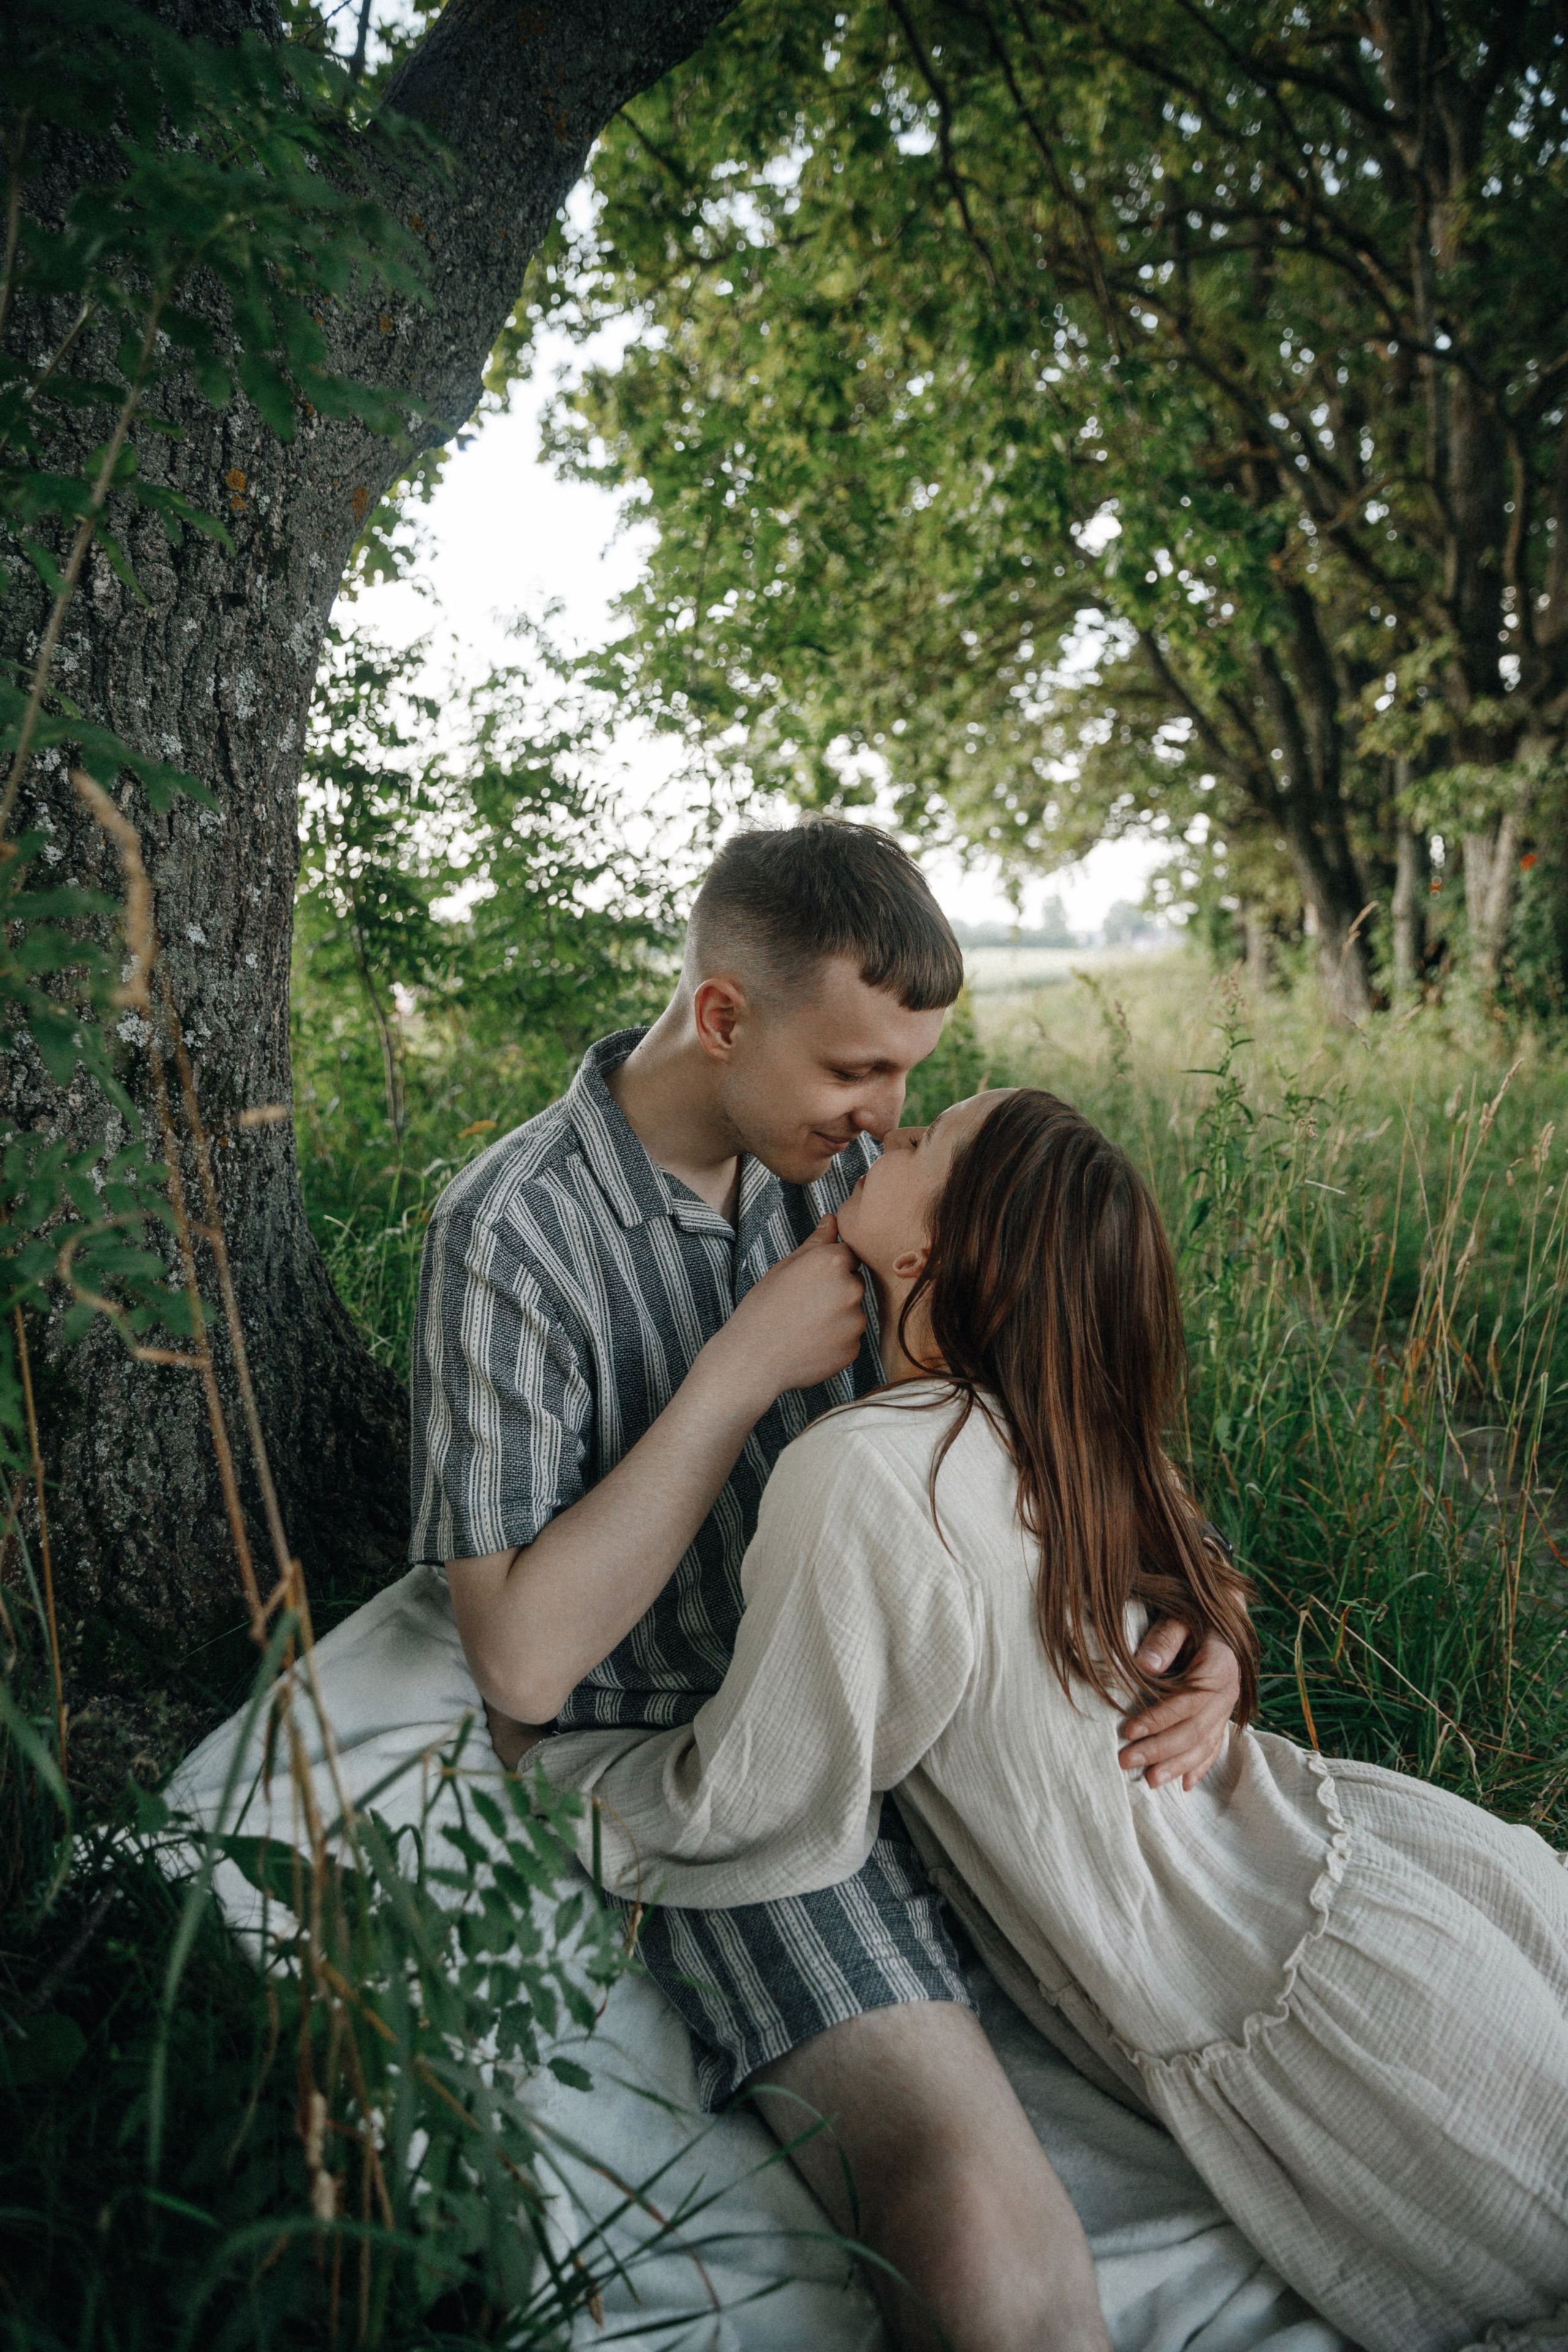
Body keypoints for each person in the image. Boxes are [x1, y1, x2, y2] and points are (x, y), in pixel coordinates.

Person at [538, 1087, 1568, 2352]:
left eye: (916, 1146)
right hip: (1381, 1892)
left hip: (1342, 2035)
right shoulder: (1056, 1422)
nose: (879, 1137)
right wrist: (1221, 1651)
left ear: (934, 1255)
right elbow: (1181, 1565)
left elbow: (754, 1804)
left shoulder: (866, 1473)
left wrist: (555, 1780)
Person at [411, 823, 1243, 2352]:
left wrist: (1207, 1631)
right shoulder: (514, 1233)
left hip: (928, 1702)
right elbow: (520, 1668)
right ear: (724, 1016)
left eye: (910, 1080)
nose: (886, 1118)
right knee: (977, 2212)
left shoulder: (861, 1174)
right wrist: (735, 1372)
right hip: (722, 1757)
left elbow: (1060, 1400)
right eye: (855, 1072)